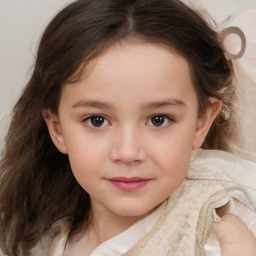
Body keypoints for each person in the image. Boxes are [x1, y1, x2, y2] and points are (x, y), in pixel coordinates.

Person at [0, 0, 255, 255]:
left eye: (159, 119)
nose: (128, 152)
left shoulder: (226, 233)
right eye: (96, 120)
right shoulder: (40, 235)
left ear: (201, 122)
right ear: (58, 129)